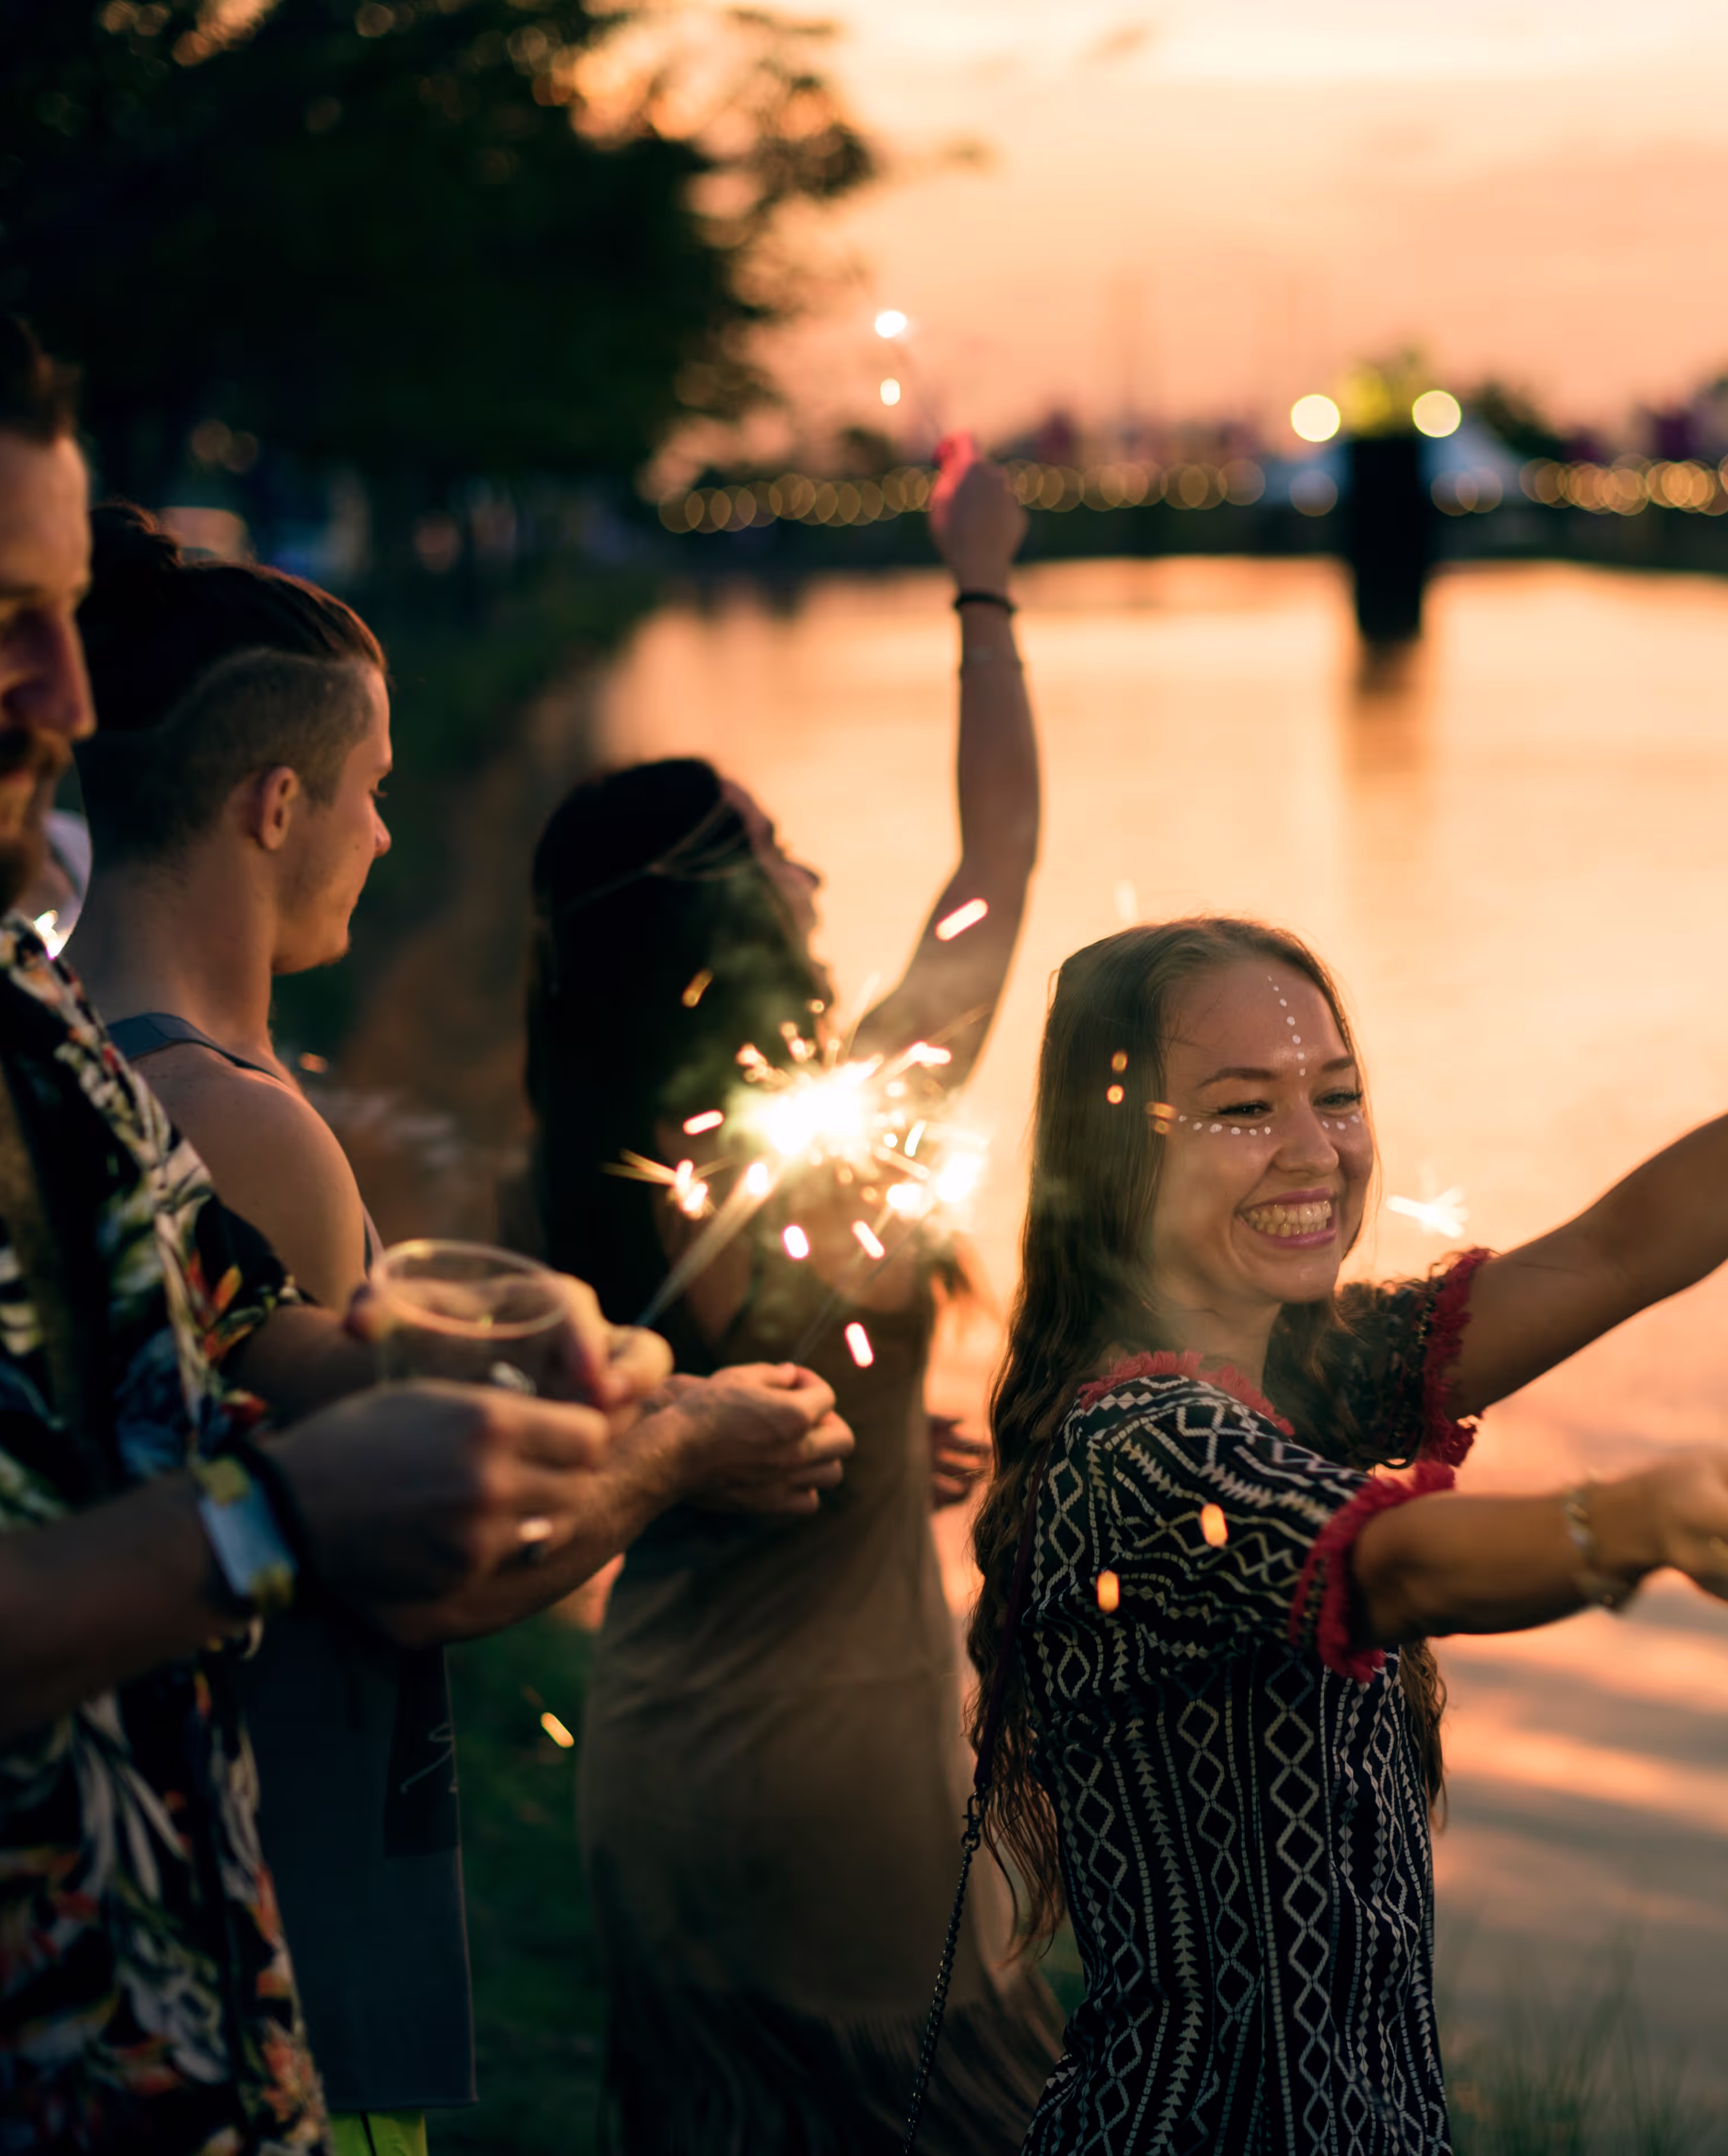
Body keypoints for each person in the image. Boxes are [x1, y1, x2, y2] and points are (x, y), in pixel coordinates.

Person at [0, 256, 658, 2154]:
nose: (73, 696)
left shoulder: (9, 990)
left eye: (73, 618)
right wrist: (258, 1527)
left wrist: (454, 1369)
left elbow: (200, 1360)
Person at [963, 916, 1728, 2153]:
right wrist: (1619, 1522)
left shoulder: (1314, 1368)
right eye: (1242, 1109)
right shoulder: (1137, 1448)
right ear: (1115, 1149)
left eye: (1336, 1096)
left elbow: (1612, 1251)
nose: (1315, 1152)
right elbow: (1390, 1563)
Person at [63, 506, 856, 2150]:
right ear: (275, 804)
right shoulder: (240, 1120)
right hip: (291, 1878)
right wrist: (689, 1436)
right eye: (369, 785)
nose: (385, 831)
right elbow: (432, 1555)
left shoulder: (74, 1053)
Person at [525, 434, 1054, 2151]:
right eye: (776, 847)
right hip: (845, 1779)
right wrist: (978, 578)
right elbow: (1001, 858)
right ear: (731, 907)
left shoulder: (592, 1172)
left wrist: (901, 1440)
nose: (815, 877)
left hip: (664, 1755)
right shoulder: (827, 1144)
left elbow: (734, 1425)